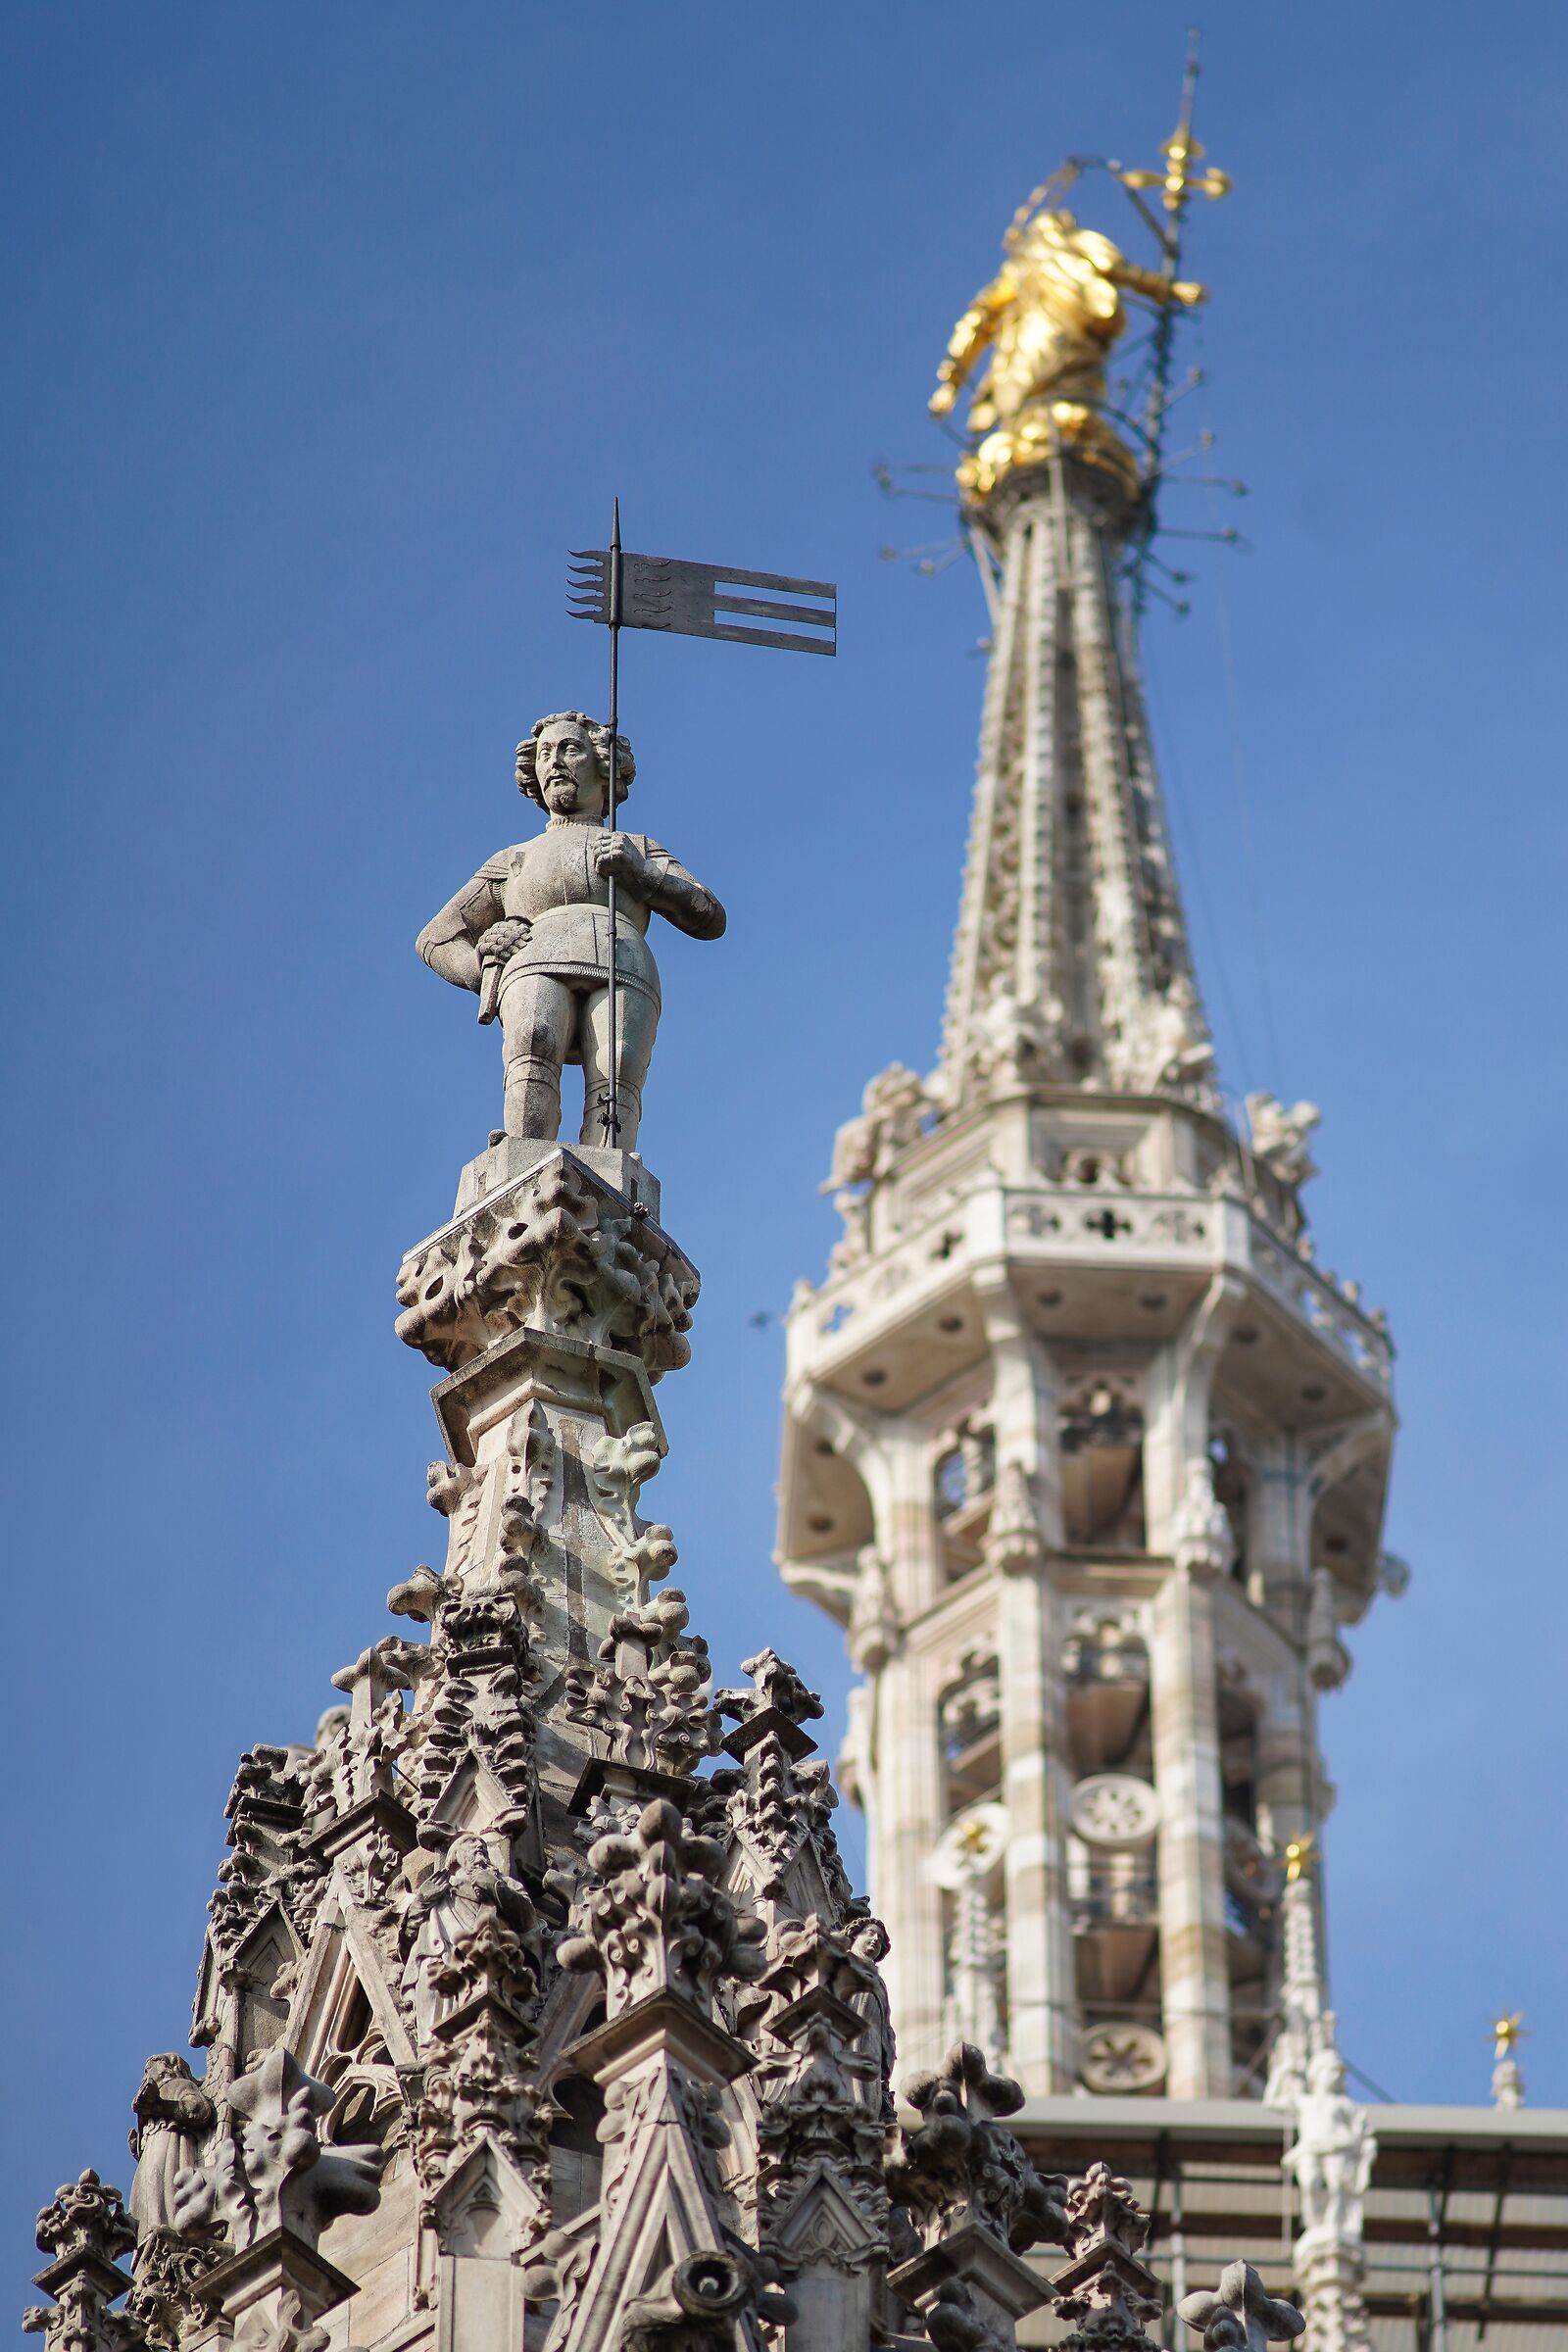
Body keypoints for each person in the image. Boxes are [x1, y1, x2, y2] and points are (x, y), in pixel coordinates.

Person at [417, 711, 725, 1150]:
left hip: (622, 959)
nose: (555, 762)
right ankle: (522, 1153)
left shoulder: (635, 847)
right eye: (545, 753)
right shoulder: (515, 858)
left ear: (603, 766)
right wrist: (482, 964)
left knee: (616, 1063)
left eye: (569, 748)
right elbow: (436, 937)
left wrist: (645, 876)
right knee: (533, 1039)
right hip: (533, 956)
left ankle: (610, 1169)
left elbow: (710, 915)